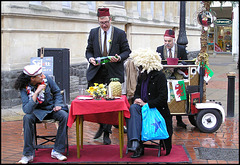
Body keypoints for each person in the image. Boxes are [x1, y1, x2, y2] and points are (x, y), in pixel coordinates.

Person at [85, 8, 131, 145]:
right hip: (97, 72)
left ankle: (106, 133)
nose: (104, 25)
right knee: (97, 102)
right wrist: (90, 59)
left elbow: (127, 51)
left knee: (110, 103)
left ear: (110, 19)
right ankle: (101, 125)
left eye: (106, 22)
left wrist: (119, 58)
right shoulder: (93, 33)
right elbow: (88, 51)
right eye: (101, 23)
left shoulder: (120, 33)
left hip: (113, 73)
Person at [14, 65, 68, 164]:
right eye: (39, 75)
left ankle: (57, 150)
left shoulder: (47, 79)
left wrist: (58, 104)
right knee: (27, 118)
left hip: (51, 109)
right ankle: (28, 154)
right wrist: (36, 93)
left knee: (64, 116)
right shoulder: (23, 88)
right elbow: (27, 109)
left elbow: (57, 92)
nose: (42, 76)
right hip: (36, 112)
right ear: (32, 78)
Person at [126, 48, 173, 158]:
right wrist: (137, 100)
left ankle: (137, 144)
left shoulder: (160, 76)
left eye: (140, 65)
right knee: (133, 108)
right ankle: (135, 143)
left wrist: (147, 104)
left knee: (135, 111)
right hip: (142, 107)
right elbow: (137, 93)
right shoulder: (142, 76)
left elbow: (163, 98)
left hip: (156, 109)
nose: (139, 68)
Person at [156, 29, 188, 129]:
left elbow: (186, 63)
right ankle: (164, 118)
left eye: (169, 41)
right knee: (166, 97)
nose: (167, 43)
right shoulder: (159, 49)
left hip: (178, 75)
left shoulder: (181, 49)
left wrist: (180, 64)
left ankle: (179, 119)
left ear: (173, 40)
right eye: (165, 41)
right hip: (164, 77)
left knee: (179, 96)